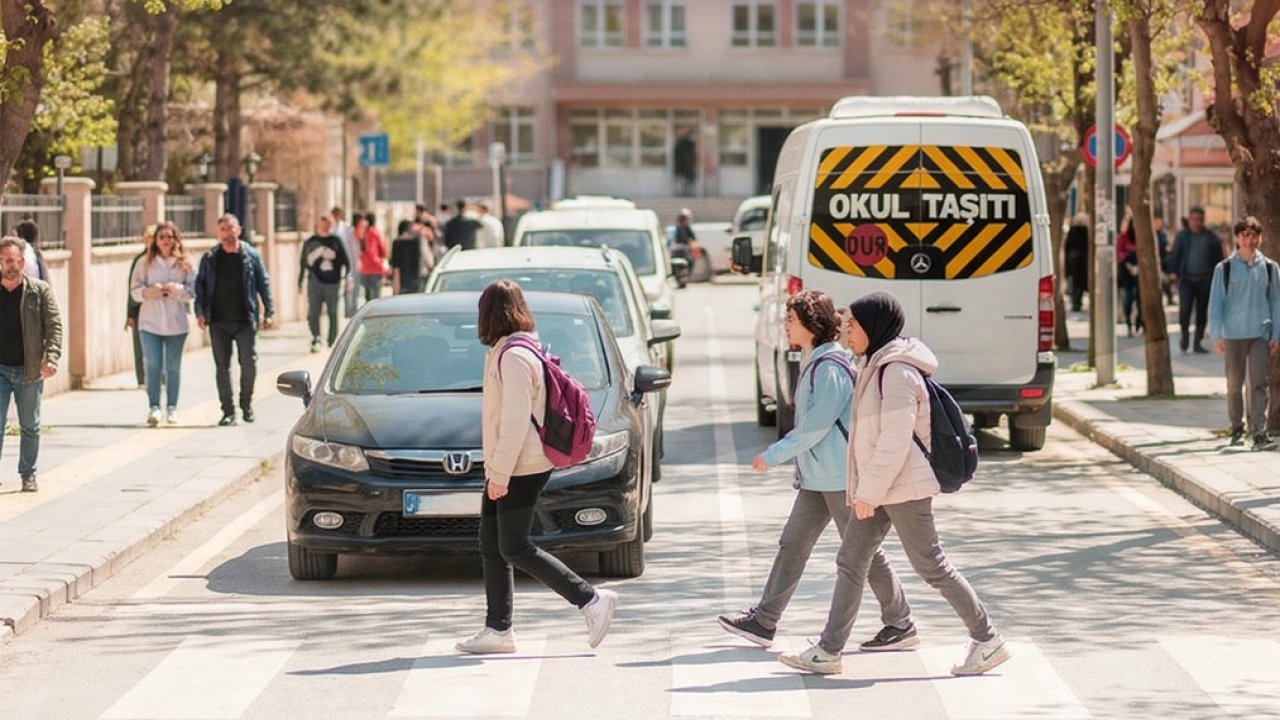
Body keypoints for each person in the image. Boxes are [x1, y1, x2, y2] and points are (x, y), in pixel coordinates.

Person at [780, 291, 1010, 677]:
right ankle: (829, 650)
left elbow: (894, 441)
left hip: (904, 488)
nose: (846, 331)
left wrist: (867, 492)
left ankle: (988, 639)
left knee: (931, 565)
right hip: (883, 485)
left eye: (854, 325)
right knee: (851, 561)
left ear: (874, 327)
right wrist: (867, 489)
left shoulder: (897, 373)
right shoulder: (875, 365)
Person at [717, 291, 915, 651]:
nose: (785, 326)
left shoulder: (829, 368)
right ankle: (764, 620)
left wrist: (774, 455)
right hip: (818, 478)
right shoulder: (816, 361)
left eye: (791, 320)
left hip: (839, 478)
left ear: (811, 324)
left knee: (863, 555)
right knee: (793, 545)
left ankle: (900, 621)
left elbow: (815, 426)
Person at [456, 279, 618, 654]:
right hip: (509, 463)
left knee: (514, 546)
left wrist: (499, 474)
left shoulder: (514, 357)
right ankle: (498, 629)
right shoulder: (513, 349)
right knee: (491, 544)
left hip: (521, 465)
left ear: (489, 314)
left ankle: (591, 599)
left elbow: (515, 422)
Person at [194, 214, 275, 427]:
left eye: (230, 228)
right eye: (223, 229)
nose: (227, 233)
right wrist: (200, 312)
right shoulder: (210, 258)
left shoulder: (251, 255)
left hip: (245, 320)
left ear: (239, 230)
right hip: (218, 321)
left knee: (248, 363)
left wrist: (269, 311)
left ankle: (246, 404)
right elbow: (200, 286)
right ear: (218, 233)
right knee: (222, 367)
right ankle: (228, 411)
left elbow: (263, 282)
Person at [1208, 216, 1280, 451]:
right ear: (1237, 238)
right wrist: (1216, 335)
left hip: (1260, 333)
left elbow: (1276, 303)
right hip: (1233, 335)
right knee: (1234, 385)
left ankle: (1259, 433)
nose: (1250, 240)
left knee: (1259, 384)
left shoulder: (1270, 268)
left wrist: (1276, 334)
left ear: (1260, 238)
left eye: (1254, 235)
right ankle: (1237, 429)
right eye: (1245, 235)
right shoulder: (1224, 269)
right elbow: (1216, 304)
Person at [0, 235, 61, 492]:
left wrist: (52, 357)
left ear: (23, 262)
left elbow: (54, 325)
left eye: (15, 260)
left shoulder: (39, 290)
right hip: (0, 369)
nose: (11, 265)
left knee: (30, 426)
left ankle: (28, 474)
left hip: (29, 368)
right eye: (6, 260)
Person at [130, 221, 195, 426]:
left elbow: (192, 292)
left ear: (176, 239)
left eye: (169, 237)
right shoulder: (144, 263)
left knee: (173, 367)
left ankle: (172, 408)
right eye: (162, 237)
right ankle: (154, 407)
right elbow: (134, 291)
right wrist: (150, 292)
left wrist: (176, 289)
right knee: (153, 365)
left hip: (176, 324)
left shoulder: (185, 263)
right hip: (150, 323)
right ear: (155, 241)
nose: (166, 241)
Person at [1168, 206, 1225, 353]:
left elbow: (1219, 260)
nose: (1196, 222)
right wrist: (1173, 274)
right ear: (1189, 220)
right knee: (1184, 311)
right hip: (1186, 280)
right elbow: (1175, 256)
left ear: (1203, 220)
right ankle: (1185, 336)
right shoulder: (1182, 236)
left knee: (1201, 312)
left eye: (1199, 219)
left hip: (1205, 280)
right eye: (1193, 219)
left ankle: (1197, 342)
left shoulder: (1211, 238)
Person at [299, 214, 349, 352]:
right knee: (313, 312)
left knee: (332, 312)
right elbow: (303, 262)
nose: (325, 226)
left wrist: (346, 278)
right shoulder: (310, 242)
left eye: (327, 223)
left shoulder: (336, 241)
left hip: (332, 283)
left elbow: (346, 261)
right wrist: (300, 281)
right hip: (314, 281)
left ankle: (332, 340)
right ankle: (316, 337)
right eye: (322, 223)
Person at [125, 227, 155, 388]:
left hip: (158, 310)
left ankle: (160, 376)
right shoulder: (139, 260)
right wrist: (130, 315)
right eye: (148, 239)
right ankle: (142, 378)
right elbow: (131, 289)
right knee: (139, 346)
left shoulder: (162, 260)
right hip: (140, 308)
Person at [1116, 214, 1142, 337]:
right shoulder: (1123, 237)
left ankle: (1139, 321)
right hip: (1126, 274)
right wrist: (1129, 265)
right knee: (1128, 300)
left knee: (1140, 300)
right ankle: (1128, 323)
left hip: (1140, 274)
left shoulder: (1142, 238)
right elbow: (1119, 254)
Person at [331, 207, 359, 318]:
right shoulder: (332, 229)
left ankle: (351, 310)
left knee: (350, 286)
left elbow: (353, 246)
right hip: (337, 263)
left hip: (349, 260)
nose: (336, 217)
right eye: (334, 215)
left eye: (337, 214)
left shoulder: (348, 229)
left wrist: (355, 260)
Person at [355, 213, 387, 302]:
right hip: (375, 268)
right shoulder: (375, 233)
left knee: (368, 297)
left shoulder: (361, 232)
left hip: (365, 269)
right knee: (376, 298)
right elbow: (382, 249)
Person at [389, 219, 426, 294]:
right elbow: (429, 263)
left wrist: (395, 291)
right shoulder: (418, 242)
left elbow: (396, 270)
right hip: (417, 285)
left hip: (403, 285)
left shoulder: (397, 244)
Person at [1063, 213, 1089, 313]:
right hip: (1083, 259)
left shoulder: (1072, 231)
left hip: (1073, 260)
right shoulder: (1086, 231)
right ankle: (1078, 301)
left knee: (1075, 283)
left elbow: (1067, 247)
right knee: (1081, 282)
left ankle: (1076, 303)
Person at [670, 208, 699, 288]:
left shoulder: (685, 228)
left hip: (684, 250)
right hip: (679, 250)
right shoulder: (677, 228)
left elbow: (693, 238)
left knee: (690, 261)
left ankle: (684, 277)